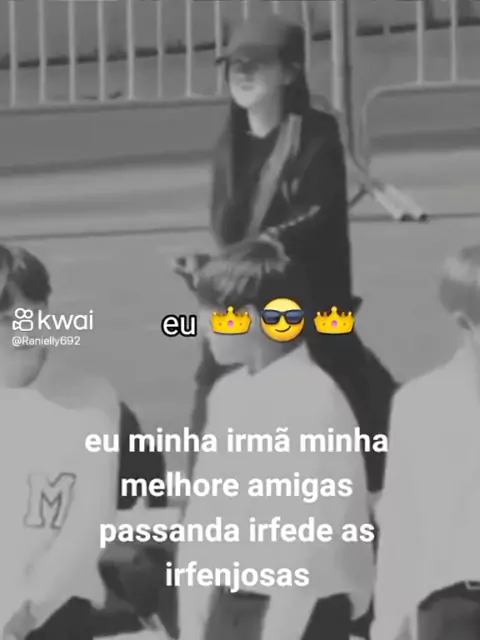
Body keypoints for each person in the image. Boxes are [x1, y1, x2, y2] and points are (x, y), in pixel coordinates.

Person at [175, 13, 397, 496]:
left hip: (308, 295)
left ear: (290, 71)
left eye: (256, 63)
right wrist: (211, 267)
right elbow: (228, 227)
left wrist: (249, 255)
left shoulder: (316, 136)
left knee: (340, 380)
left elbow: (315, 216)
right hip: (244, 292)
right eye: (234, 64)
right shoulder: (229, 141)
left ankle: (374, 489)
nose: (242, 73)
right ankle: (201, 500)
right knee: (213, 379)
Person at [176, 237, 375, 640]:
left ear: (248, 317)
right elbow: (203, 523)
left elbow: (310, 545)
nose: (202, 329)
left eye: (210, 316)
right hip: (230, 606)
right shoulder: (227, 395)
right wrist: (193, 625)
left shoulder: (315, 401)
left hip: (300, 614)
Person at [372, 245, 480, 640]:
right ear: (465, 322)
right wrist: (388, 627)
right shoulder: (420, 405)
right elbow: (402, 524)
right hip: (454, 609)